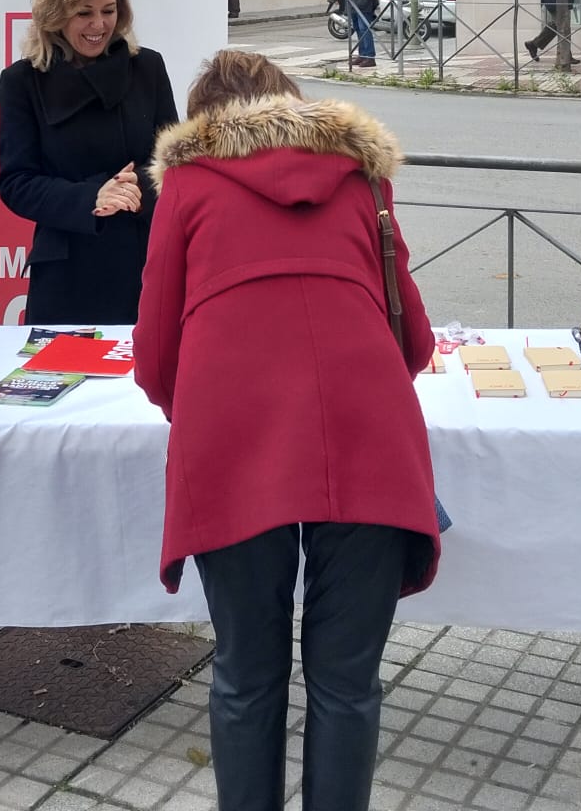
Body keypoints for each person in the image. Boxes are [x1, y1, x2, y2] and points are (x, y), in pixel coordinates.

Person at [135, 50, 438, 811]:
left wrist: (203, 401)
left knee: (245, 671)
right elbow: (418, 341)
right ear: (295, 107)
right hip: (369, 432)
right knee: (346, 680)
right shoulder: (364, 179)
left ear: (205, 122)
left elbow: (154, 356)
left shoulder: (190, 185)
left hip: (232, 437)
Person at [0, 0, 178, 325]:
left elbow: (172, 164)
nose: (98, 24)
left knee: (142, 382)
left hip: (142, 262)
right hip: (66, 272)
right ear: (56, 14)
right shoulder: (22, 81)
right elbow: (16, 182)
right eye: (84, 13)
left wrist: (132, 190)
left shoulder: (147, 67)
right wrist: (93, 196)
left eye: (108, 11)